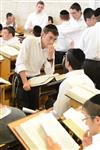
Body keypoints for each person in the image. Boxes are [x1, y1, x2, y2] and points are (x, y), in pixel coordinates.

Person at [15, 24, 58, 110]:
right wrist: (25, 82)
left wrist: (50, 57)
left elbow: (49, 72)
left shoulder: (50, 49)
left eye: (54, 39)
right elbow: (20, 63)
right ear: (43, 34)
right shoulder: (29, 41)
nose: (52, 42)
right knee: (24, 110)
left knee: (34, 109)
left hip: (36, 80)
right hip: (22, 78)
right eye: (50, 38)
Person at [53, 48, 95, 118]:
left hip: (69, 120)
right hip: (86, 118)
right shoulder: (89, 81)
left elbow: (59, 112)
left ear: (68, 63)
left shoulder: (67, 83)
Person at [79, 22, 100, 89]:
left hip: (86, 64)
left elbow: (80, 49)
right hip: (98, 65)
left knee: (87, 90)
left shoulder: (87, 30)